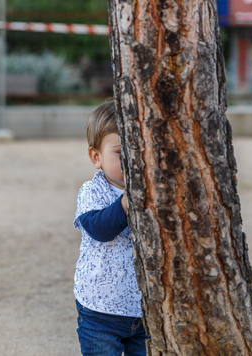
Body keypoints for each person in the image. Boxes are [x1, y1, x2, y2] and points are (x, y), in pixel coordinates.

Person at [73, 100, 149, 356]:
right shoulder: (92, 191)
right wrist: (127, 203)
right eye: (121, 153)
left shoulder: (153, 191)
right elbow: (99, 229)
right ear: (97, 157)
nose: (132, 161)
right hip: (99, 312)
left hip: (145, 311)